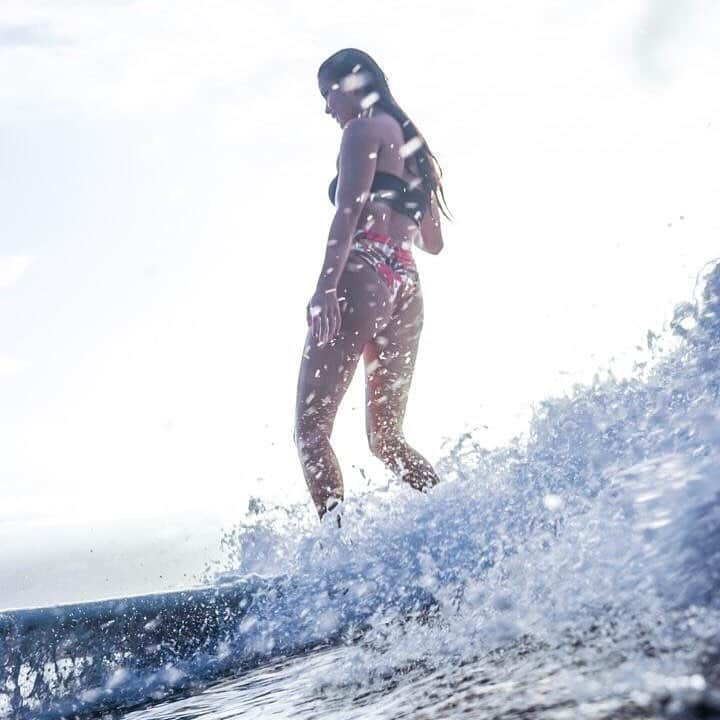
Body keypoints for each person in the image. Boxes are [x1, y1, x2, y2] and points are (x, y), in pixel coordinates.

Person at [293, 48, 452, 524]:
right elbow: (434, 243)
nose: (327, 108)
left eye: (328, 93)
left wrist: (325, 290)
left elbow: (348, 213)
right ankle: (453, 521)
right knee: (386, 438)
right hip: (406, 282)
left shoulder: (362, 129)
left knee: (311, 429)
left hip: (363, 274)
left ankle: (335, 553)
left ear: (353, 83)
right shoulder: (411, 144)